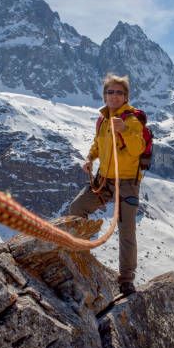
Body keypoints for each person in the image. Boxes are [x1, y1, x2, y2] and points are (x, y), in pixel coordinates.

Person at [69, 72, 145, 296]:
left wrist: (124, 131)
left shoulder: (132, 120)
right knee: (77, 208)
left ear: (126, 96)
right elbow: (98, 143)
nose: (113, 96)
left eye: (118, 92)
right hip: (104, 179)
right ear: (104, 95)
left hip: (128, 182)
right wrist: (89, 158)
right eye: (110, 92)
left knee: (126, 230)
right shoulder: (102, 119)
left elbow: (137, 148)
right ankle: (81, 255)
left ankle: (126, 280)